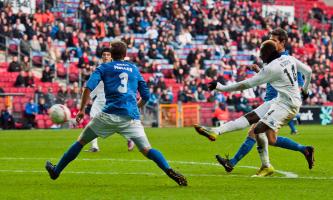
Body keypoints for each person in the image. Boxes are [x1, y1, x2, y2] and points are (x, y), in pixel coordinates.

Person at [45, 40, 187, 186]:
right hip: (131, 117)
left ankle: (56, 171)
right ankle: (168, 169)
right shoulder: (134, 69)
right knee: (147, 149)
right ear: (125, 55)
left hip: (108, 115)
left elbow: (88, 87)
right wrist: (136, 107)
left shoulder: (104, 67)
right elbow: (146, 96)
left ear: (111, 54)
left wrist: (81, 110)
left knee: (81, 141)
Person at [194, 40, 314, 177]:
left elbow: (246, 84)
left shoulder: (271, 68)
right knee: (255, 122)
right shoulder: (288, 58)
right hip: (280, 99)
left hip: (288, 105)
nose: (260, 56)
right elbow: (308, 71)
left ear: (268, 53)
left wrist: (221, 88)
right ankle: (215, 131)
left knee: (257, 130)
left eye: (262, 53)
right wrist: (305, 90)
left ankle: (265, 165)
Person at [88, 47, 135, 152]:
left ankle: (130, 138)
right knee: (92, 120)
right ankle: (95, 146)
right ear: (101, 56)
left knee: (116, 124)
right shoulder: (98, 69)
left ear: (111, 56)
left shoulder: (115, 69)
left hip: (111, 99)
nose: (105, 57)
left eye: (108, 55)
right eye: (104, 55)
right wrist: (89, 97)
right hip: (99, 100)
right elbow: (95, 85)